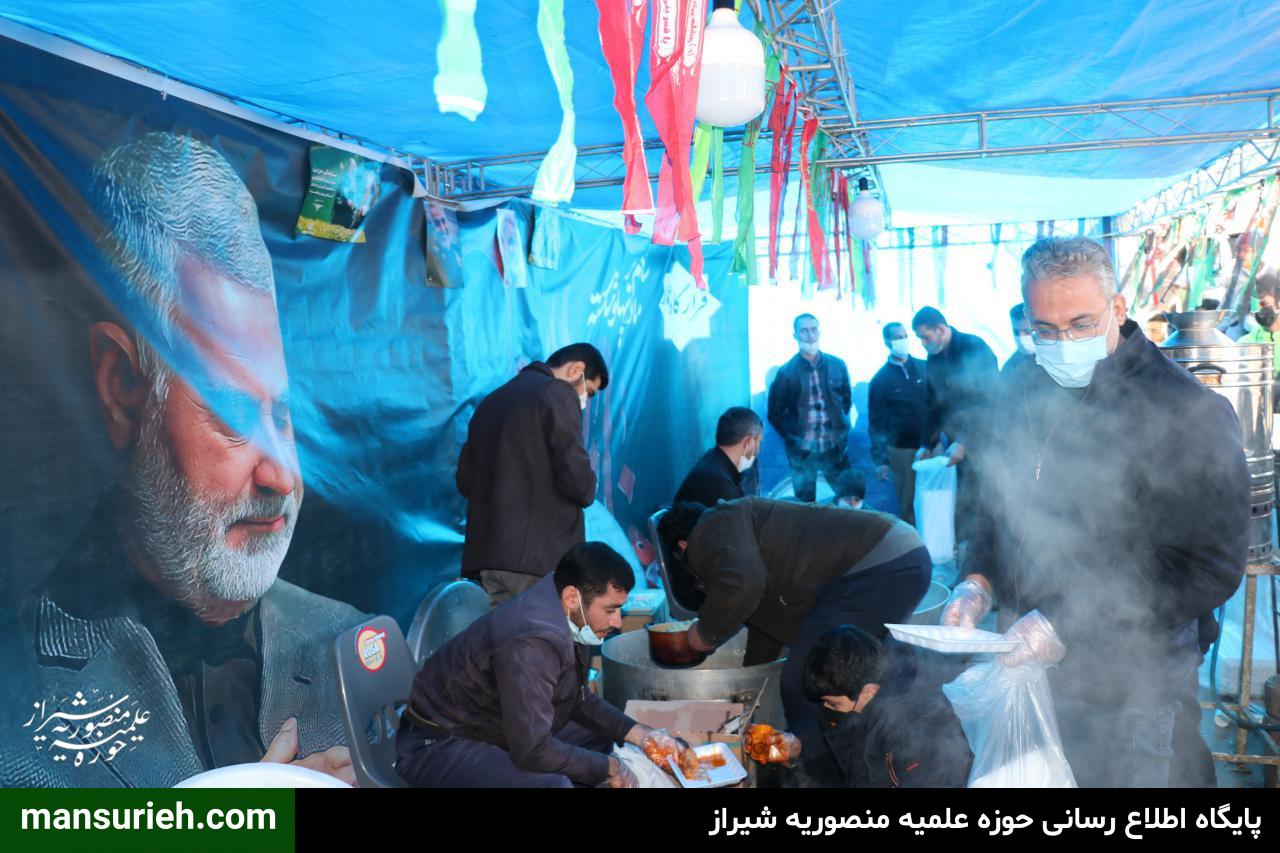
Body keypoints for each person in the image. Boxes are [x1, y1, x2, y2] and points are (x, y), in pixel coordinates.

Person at [11, 133, 364, 788]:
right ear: (122, 388)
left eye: (282, 415)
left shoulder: (350, 642)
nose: (283, 475)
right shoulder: (15, 694)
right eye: (234, 416)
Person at [947, 236, 1248, 788]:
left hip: (1133, 687)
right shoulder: (1022, 386)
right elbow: (992, 503)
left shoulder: (1186, 409)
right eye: (1045, 329)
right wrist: (977, 580)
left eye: (1081, 324)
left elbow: (1208, 566)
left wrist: (1063, 622)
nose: (1062, 343)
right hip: (1031, 665)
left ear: (1118, 307)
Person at [395, 542, 674, 788]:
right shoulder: (532, 641)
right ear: (572, 597)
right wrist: (609, 767)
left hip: (491, 725)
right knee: (555, 785)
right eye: (610, 609)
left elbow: (575, 696)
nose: (617, 622)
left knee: (600, 738)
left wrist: (640, 734)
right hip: (436, 743)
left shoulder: (566, 610)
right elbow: (532, 750)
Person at [657, 498, 930, 729]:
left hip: (877, 564)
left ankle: (809, 768)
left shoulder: (710, 528)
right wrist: (749, 681)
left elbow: (743, 586)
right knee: (860, 673)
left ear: (682, 546)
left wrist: (702, 636)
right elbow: (765, 623)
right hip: (899, 554)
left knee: (803, 680)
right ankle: (895, 744)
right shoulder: (741, 529)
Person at [457, 343, 607, 607]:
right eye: (589, 392)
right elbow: (576, 478)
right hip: (538, 559)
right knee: (541, 632)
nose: (584, 402)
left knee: (501, 633)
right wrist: (589, 484)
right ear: (576, 370)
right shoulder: (558, 392)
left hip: (485, 560)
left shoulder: (490, 402)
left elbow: (465, 481)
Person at [787, 625, 972, 788]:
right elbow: (822, 724)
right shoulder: (867, 674)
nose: (826, 709)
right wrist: (796, 742)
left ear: (868, 692)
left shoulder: (916, 734)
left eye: (832, 704)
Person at [912, 306, 998, 553]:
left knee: (987, 494)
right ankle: (965, 548)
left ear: (941, 329)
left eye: (925, 337)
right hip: (955, 443)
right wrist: (925, 444)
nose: (923, 343)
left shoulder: (974, 347)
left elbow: (987, 401)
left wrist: (965, 441)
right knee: (964, 495)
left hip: (986, 439)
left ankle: (987, 552)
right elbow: (934, 405)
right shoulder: (934, 358)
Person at [767, 314, 854, 502]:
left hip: (834, 447)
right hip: (802, 451)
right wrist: (793, 437)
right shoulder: (785, 373)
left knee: (850, 498)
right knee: (805, 505)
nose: (810, 335)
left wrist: (839, 427)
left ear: (819, 332)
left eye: (813, 329)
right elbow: (774, 414)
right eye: (804, 331)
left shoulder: (837, 365)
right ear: (795, 335)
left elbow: (846, 401)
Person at [867, 323, 927, 524]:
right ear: (887, 342)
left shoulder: (925, 367)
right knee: (908, 502)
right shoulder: (880, 380)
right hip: (901, 451)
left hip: (931, 447)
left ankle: (939, 542)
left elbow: (939, 405)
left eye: (905, 335)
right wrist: (880, 460)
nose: (903, 340)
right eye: (897, 337)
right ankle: (912, 540)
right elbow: (876, 423)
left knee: (935, 498)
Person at [673, 406, 763, 508]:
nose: (758, 448)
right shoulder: (718, 483)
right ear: (749, 442)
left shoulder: (714, 464)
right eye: (759, 441)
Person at [1002, 303, 1035, 375]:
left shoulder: (1056, 356)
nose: (1021, 337)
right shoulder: (1009, 369)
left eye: (1026, 331)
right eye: (1016, 332)